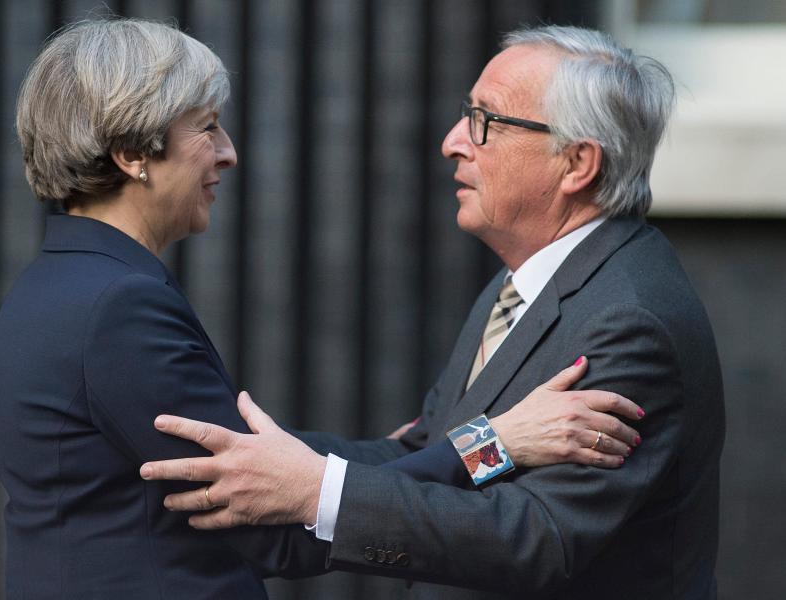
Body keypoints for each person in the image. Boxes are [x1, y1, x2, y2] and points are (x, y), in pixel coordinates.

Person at [0, 18, 642, 599]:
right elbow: (283, 533)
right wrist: (494, 443)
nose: (228, 152)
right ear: (132, 153)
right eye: (206, 126)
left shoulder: (56, 286)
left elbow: (273, 477)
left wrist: (394, 459)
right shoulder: (118, 307)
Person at [141, 25, 725, 599]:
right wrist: (256, 456)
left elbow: (538, 538)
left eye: (484, 121)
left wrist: (318, 490)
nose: (452, 140)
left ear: (576, 164)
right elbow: (431, 448)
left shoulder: (627, 321)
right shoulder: (529, 278)